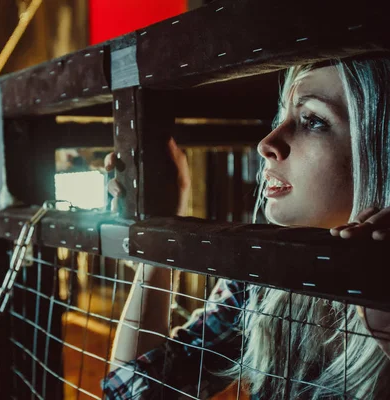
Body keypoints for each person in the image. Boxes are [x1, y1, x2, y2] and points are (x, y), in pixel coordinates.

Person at [102, 55, 390, 399]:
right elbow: (132, 391)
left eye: (312, 120)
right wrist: (158, 239)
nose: (266, 143)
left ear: (382, 147)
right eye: (280, 117)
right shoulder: (264, 280)